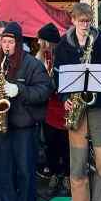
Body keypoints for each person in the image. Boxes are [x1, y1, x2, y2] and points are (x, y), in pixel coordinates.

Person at [54, 2, 101, 201]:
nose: (84, 25)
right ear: (72, 21)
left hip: (99, 106)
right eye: (81, 21)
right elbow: (57, 77)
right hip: (76, 109)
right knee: (78, 161)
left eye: (87, 21)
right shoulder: (63, 46)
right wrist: (64, 99)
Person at [0, 22, 52, 201]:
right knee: (1, 171)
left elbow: (44, 90)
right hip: (1, 126)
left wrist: (20, 89)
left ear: (18, 43)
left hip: (24, 126)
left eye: (10, 42)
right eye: (4, 41)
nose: (6, 46)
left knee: (25, 170)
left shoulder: (31, 64)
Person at [36, 22, 70, 189]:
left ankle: (67, 175)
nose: (38, 43)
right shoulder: (41, 57)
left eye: (40, 40)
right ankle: (55, 173)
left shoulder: (61, 54)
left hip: (63, 105)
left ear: (47, 41)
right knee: (51, 144)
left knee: (65, 144)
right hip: (49, 108)